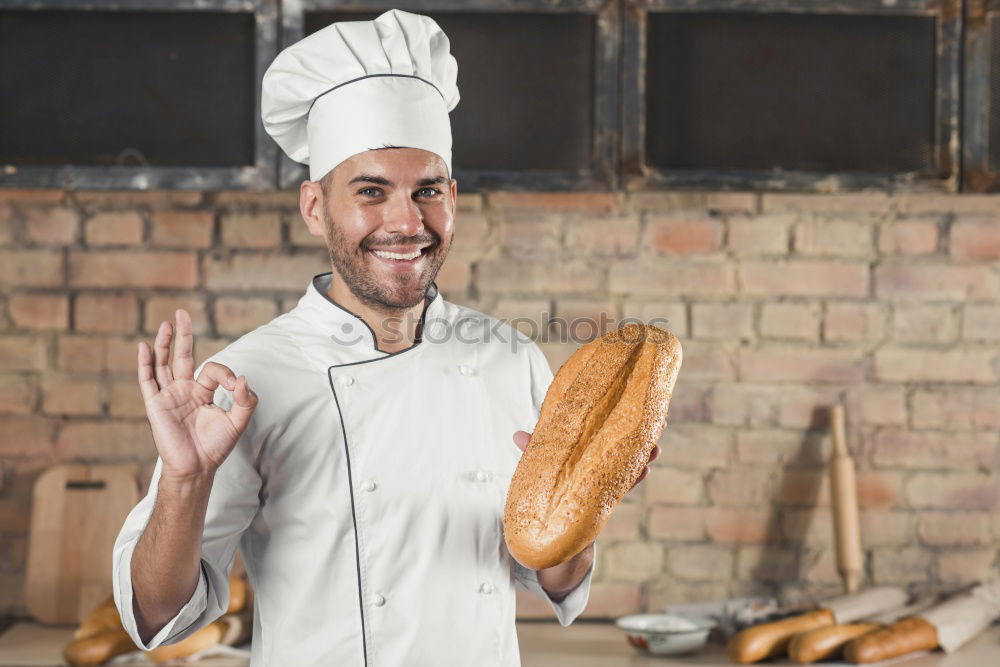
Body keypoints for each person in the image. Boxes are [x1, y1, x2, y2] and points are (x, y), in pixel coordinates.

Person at [112, 9, 658, 666]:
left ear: (453, 197)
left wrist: (588, 502)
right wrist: (185, 479)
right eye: (371, 191)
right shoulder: (245, 379)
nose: (407, 221)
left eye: (428, 190)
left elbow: (552, 577)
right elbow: (156, 613)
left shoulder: (510, 359)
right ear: (316, 206)